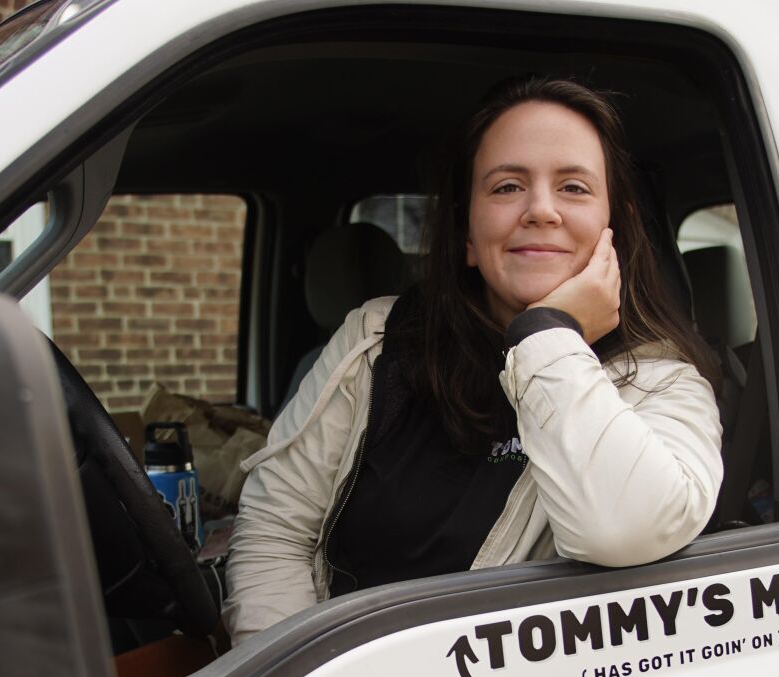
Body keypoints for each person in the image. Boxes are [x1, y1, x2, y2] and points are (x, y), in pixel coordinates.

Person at [225, 76, 723, 643]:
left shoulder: (661, 382)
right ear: (466, 231)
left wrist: (547, 334)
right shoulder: (377, 341)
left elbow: (623, 530)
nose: (540, 210)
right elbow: (275, 534)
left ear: (616, 227)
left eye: (574, 188)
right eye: (508, 187)